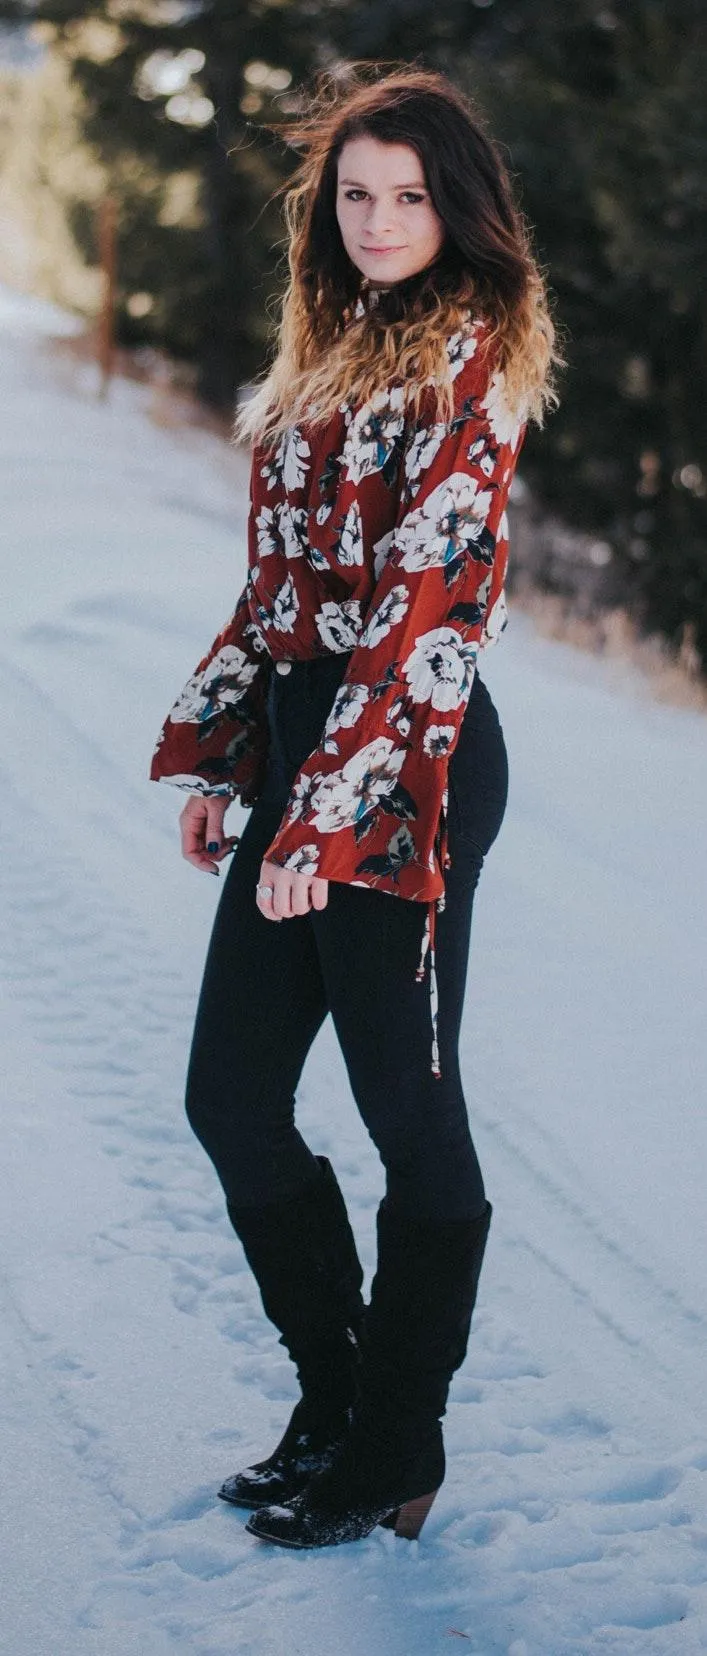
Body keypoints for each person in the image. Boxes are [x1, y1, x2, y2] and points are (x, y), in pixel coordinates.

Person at [149, 64, 563, 1549]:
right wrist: (228, 757)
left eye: (410, 196)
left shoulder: (466, 361)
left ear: (460, 211)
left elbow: (415, 618)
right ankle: (335, 1402)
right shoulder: (324, 351)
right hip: (304, 754)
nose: (379, 220)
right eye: (356, 194)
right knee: (230, 1098)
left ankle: (395, 1446)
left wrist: (324, 822)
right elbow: (283, 592)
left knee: (409, 1115)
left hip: (410, 770)